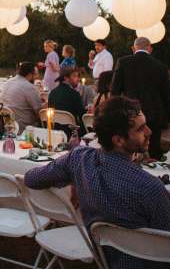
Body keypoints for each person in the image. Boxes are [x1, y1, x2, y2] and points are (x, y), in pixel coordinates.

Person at [24, 96, 170, 269]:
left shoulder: (77, 159)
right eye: (140, 129)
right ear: (118, 140)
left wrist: (74, 179)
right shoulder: (149, 187)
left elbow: (31, 178)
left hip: (105, 258)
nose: (149, 132)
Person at [110, 37, 170, 160]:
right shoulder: (161, 67)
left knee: (129, 151)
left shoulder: (123, 62)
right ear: (150, 49)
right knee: (153, 152)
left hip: (130, 116)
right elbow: (166, 97)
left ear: (133, 48)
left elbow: (114, 92)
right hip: (154, 116)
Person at [0, 62, 44, 131]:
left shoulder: (8, 82)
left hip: (5, 124)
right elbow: (40, 113)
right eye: (35, 74)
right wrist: (48, 103)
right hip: (24, 127)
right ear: (29, 74)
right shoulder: (29, 87)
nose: (37, 77)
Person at [47, 68, 86, 135]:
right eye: (74, 76)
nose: (78, 79)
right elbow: (82, 116)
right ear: (66, 78)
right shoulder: (74, 94)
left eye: (78, 76)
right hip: (71, 133)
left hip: (55, 131)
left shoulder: (52, 93)